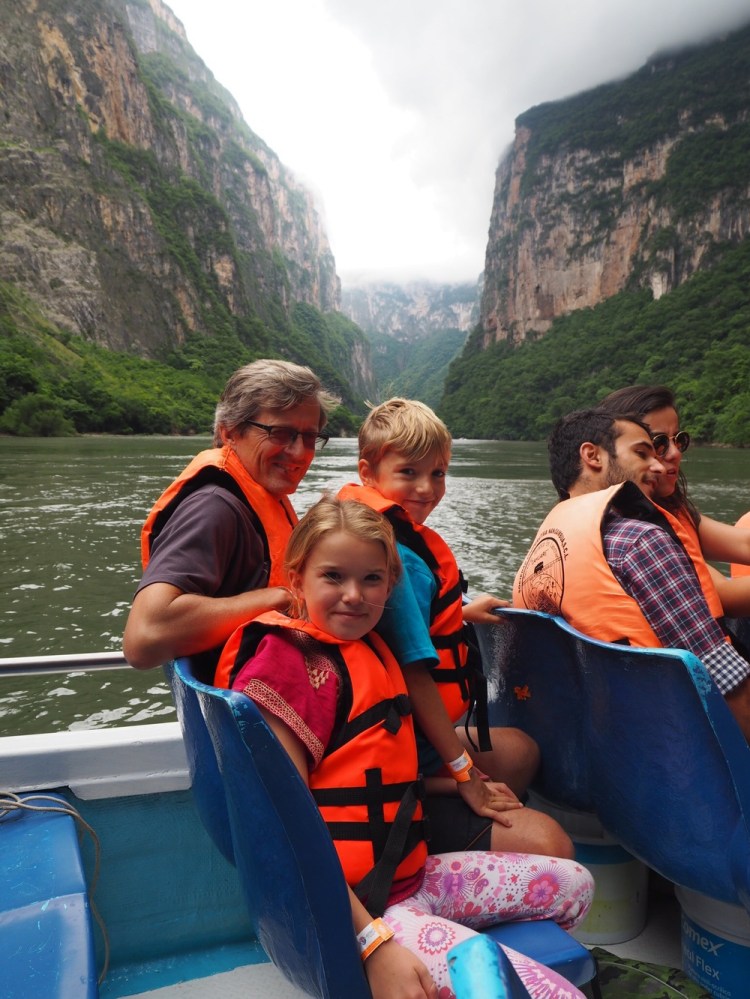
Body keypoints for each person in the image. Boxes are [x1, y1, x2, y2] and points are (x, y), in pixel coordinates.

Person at [219, 496, 594, 999]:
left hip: (411, 881)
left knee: (573, 886)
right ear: (296, 577)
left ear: (389, 585)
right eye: (333, 577)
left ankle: (444, 966)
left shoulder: (370, 647)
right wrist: (375, 945)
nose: (354, 595)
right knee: (551, 994)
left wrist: (459, 784)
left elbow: (362, 775)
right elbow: (286, 824)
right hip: (356, 909)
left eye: (371, 579)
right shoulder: (287, 667)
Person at [337, 398, 571, 859]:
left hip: (402, 733)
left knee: (521, 751)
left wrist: (461, 614)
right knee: (552, 844)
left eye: (439, 473)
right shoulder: (396, 554)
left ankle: (466, 833)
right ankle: (443, 839)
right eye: (409, 473)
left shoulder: (363, 535)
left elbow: (389, 627)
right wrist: (464, 775)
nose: (427, 489)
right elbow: (414, 675)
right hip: (392, 746)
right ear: (369, 473)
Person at [513, 408, 750, 741]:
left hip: (606, 741)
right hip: (678, 747)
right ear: (592, 455)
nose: (657, 466)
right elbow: (730, 688)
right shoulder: (639, 541)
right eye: (642, 452)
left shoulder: (542, 551)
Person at [123, 359, 339, 675]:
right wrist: (279, 598)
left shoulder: (261, 497)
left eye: (310, 437)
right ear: (230, 432)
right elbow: (143, 638)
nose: (300, 452)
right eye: (280, 433)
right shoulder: (214, 507)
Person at [598, 385, 750, 615]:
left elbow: (743, 543)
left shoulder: (671, 509)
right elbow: (724, 596)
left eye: (679, 440)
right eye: (658, 443)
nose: (675, 453)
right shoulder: (635, 530)